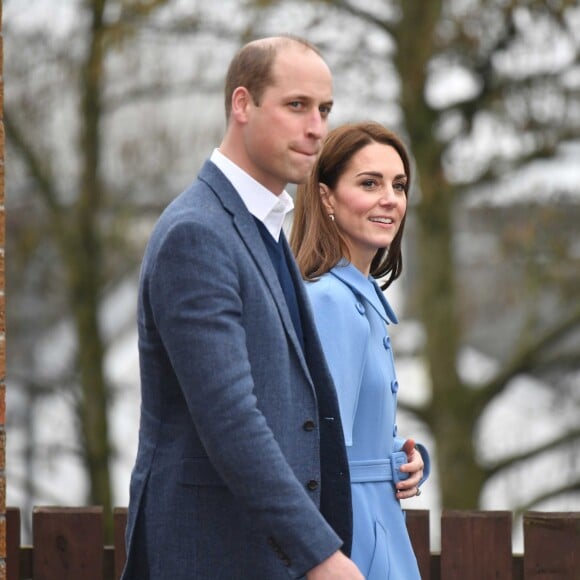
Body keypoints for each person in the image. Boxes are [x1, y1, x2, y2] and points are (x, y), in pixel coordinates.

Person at [121, 36, 364, 579]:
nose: (317, 128)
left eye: (324, 110)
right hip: (210, 552)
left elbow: (294, 404)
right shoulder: (197, 233)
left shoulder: (266, 225)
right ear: (242, 104)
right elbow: (230, 419)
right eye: (296, 105)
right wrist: (319, 554)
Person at [290, 121, 431, 580]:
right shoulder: (330, 301)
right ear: (327, 196)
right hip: (350, 538)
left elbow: (358, 438)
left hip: (375, 521)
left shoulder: (359, 297)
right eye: (369, 183)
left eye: (399, 185)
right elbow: (316, 452)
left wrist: (406, 460)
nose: (390, 198)